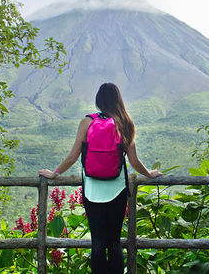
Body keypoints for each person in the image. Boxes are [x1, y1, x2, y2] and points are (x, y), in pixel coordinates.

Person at [39, 82, 162, 274]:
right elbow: (134, 161)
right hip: (117, 189)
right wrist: (149, 174)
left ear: (98, 100)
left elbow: (73, 156)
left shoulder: (87, 122)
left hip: (92, 190)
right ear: (118, 100)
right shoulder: (125, 123)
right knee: (114, 242)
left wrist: (55, 173)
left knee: (97, 243)